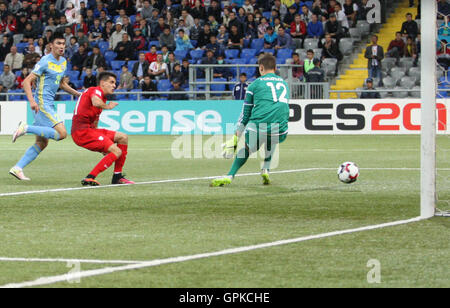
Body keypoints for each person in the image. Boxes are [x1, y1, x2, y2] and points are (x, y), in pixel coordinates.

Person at [10, 33, 81, 181]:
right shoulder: (44, 61)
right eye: (58, 43)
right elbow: (26, 82)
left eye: (63, 43)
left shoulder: (63, 62)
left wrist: (78, 94)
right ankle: (26, 128)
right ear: (51, 45)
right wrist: (32, 101)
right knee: (62, 134)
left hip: (49, 104)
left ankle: (17, 168)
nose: (61, 46)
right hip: (42, 103)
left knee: (41, 143)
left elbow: (61, 84)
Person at [211, 54, 290, 187]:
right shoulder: (284, 83)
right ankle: (266, 168)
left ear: (261, 68)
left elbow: (245, 113)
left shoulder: (254, 85)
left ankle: (230, 175)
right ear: (275, 68)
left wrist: (236, 136)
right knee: (272, 136)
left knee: (247, 148)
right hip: (281, 128)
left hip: (258, 126)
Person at [71, 72, 134, 186]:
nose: (114, 85)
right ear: (102, 83)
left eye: (115, 83)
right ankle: (90, 177)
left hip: (90, 130)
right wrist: (108, 106)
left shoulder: (102, 97)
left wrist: (102, 145)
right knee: (116, 151)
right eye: (111, 82)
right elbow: (96, 102)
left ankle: (117, 177)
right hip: (81, 132)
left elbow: (95, 123)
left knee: (123, 137)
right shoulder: (95, 90)